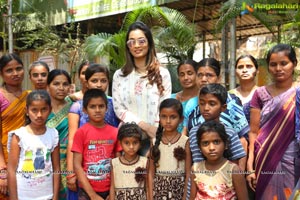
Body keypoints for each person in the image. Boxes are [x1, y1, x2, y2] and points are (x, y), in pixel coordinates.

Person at [247, 44, 300, 199]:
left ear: (294, 64)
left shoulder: (298, 92)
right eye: (273, 64)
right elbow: (253, 132)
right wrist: (250, 166)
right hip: (264, 156)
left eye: (284, 63)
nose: (278, 68)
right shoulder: (260, 94)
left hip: (292, 158)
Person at [112, 21, 172, 156]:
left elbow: (164, 107)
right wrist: (146, 127)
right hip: (128, 141)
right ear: (127, 46)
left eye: (141, 41)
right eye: (131, 42)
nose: (136, 45)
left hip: (155, 137)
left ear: (149, 43)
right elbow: (119, 109)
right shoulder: (119, 75)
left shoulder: (162, 73)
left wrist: (154, 132)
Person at [67, 63, 119, 199]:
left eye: (103, 80)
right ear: (87, 82)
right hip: (84, 171)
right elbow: (72, 140)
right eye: (94, 80)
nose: (99, 84)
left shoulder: (114, 104)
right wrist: (71, 172)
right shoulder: (78, 106)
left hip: (109, 168)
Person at [7, 90, 60, 200]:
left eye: (43, 109)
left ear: (50, 110)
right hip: (23, 196)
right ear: (27, 111)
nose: (39, 115)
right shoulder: (19, 135)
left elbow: (56, 168)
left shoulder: (53, 134)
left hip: (47, 195)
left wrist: (55, 197)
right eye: (34, 110)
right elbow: (11, 170)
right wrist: (13, 197)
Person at [72, 89, 122, 200]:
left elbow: (117, 164)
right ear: (85, 110)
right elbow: (77, 165)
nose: (97, 110)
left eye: (101, 106)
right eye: (92, 107)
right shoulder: (81, 133)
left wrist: (113, 191)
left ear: (107, 108)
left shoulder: (115, 132)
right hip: (86, 191)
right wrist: (92, 195)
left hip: (110, 191)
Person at [189, 120, 248, 199]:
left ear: (226, 144)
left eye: (216, 142)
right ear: (199, 147)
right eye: (205, 143)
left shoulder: (233, 171)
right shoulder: (196, 169)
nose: (211, 148)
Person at [148, 98, 191, 200]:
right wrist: (150, 196)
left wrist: (185, 196)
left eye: (173, 117)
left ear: (181, 119)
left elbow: (188, 172)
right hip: (158, 191)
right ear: (159, 118)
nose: (168, 121)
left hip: (178, 191)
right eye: (164, 116)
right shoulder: (154, 142)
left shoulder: (185, 141)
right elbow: (150, 172)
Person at [0, 53, 30, 198]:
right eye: (9, 70)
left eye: (19, 69)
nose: (15, 73)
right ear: (1, 74)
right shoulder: (0, 97)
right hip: (4, 157)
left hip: (26, 157)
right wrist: (2, 171)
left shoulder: (30, 96)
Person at [46, 69, 73, 199]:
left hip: (69, 162)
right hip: (45, 162)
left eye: (65, 84)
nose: (61, 88)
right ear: (48, 86)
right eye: (56, 84)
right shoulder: (41, 109)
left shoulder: (75, 108)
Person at [110, 122, 148, 199]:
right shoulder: (114, 163)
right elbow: (112, 187)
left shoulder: (144, 162)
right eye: (127, 143)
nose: (131, 147)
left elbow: (147, 187)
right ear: (120, 143)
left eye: (135, 142)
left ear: (140, 143)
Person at [171, 59, 199, 135]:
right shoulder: (170, 98)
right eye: (182, 74)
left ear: (197, 74)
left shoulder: (202, 101)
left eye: (190, 73)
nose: (186, 78)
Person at [229, 55, 259, 123]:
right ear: (235, 72)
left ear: (257, 71)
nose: (244, 70)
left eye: (249, 66)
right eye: (240, 67)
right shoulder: (229, 95)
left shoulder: (263, 94)